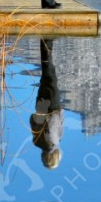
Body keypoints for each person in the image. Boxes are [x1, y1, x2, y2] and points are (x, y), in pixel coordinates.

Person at [28, 37, 64, 169]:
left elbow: (56, 121)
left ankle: (47, 38)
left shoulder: (54, 141)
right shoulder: (36, 142)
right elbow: (32, 119)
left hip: (52, 105)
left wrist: (59, 111)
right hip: (40, 105)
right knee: (46, 71)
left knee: (50, 72)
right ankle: (46, 41)